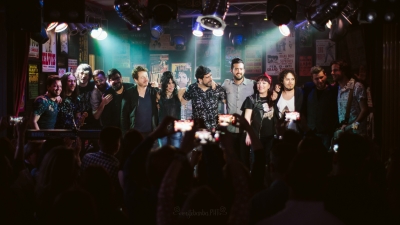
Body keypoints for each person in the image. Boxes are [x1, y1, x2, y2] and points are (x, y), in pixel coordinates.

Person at [241, 74, 276, 188]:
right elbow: (246, 119)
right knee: (256, 162)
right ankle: (256, 186)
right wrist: (248, 135)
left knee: (269, 161)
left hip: (271, 136)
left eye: (264, 83)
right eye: (259, 82)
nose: (260, 85)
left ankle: (268, 186)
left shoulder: (273, 98)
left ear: (269, 85)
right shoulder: (251, 99)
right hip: (256, 137)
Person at [222, 58, 255, 158]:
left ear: (244, 70)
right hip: (230, 129)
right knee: (231, 159)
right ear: (231, 70)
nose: (239, 71)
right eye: (236, 69)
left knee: (244, 159)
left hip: (245, 130)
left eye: (241, 69)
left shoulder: (253, 84)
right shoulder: (226, 84)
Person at [179, 65, 226, 130]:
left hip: (213, 129)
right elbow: (182, 102)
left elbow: (226, 103)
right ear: (200, 80)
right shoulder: (192, 88)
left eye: (211, 75)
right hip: (197, 129)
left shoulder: (217, 88)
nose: (211, 79)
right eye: (207, 77)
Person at [304, 66, 338, 150]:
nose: (319, 80)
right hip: (311, 132)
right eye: (316, 79)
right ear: (312, 78)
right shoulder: (308, 90)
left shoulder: (334, 91)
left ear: (325, 75)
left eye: (321, 77)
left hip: (327, 133)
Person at [331, 60, 368, 136]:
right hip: (344, 133)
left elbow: (365, 110)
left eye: (335, 70)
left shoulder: (357, 86)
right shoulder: (338, 88)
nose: (332, 73)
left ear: (343, 71)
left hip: (357, 134)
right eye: (332, 70)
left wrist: (352, 127)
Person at [95, 69, 134, 134]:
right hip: (115, 131)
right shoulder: (107, 95)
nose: (116, 81)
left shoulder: (131, 88)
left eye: (117, 78)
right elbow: (105, 118)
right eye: (113, 79)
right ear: (109, 81)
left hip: (130, 129)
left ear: (121, 77)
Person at [126, 66, 159, 137]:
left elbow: (163, 104)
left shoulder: (153, 91)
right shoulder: (129, 93)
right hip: (135, 133)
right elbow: (124, 116)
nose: (146, 79)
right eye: (142, 77)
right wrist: (124, 133)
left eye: (146, 76)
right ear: (136, 80)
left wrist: (157, 89)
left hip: (151, 132)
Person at [274, 69, 303, 135]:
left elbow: (301, 113)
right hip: (279, 133)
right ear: (282, 81)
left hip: (296, 133)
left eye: (292, 79)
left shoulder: (300, 92)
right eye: (287, 79)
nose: (290, 82)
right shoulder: (277, 93)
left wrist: (286, 115)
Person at [157, 71, 182, 148]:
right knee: (163, 153)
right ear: (164, 84)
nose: (171, 85)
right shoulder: (158, 95)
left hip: (176, 128)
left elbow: (186, 88)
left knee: (176, 152)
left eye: (172, 83)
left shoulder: (178, 94)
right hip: (162, 128)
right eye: (168, 83)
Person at [75, 63, 100, 129]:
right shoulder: (73, 85)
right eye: (81, 73)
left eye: (86, 74)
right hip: (75, 120)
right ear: (78, 74)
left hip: (91, 120)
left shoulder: (93, 84)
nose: (83, 76)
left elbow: (106, 86)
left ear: (89, 76)